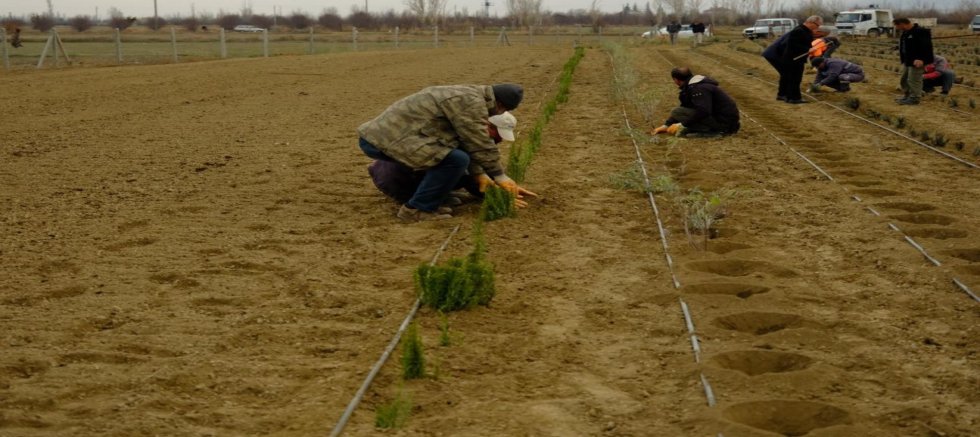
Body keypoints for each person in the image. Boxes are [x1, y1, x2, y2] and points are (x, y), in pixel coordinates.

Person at [357, 84, 536, 222]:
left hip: (394, 139)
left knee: (455, 158)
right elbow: (477, 144)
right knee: (456, 160)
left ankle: (432, 199)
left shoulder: (469, 95)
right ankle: (417, 209)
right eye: (504, 110)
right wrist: (500, 177)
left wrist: (484, 178)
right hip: (385, 141)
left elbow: (469, 144)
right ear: (499, 104)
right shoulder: (470, 103)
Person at [367, 113, 520, 207]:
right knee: (459, 164)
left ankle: (434, 194)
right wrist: (498, 197)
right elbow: (473, 177)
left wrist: (502, 184)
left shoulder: (456, 126)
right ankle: (418, 203)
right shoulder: (461, 138)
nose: (499, 140)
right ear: (487, 125)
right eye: (498, 136)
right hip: (395, 179)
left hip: (385, 172)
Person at [650, 67, 740, 137]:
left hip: (725, 124)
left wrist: (682, 125)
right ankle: (708, 129)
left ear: (676, 80)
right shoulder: (692, 87)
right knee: (679, 112)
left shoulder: (699, 89)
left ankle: (715, 132)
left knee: (677, 112)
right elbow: (686, 107)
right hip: (720, 118)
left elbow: (704, 111)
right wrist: (666, 126)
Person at [763, 16, 823, 104]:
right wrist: (807, 50)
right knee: (794, 78)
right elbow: (792, 45)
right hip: (793, 59)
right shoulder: (799, 31)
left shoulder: (805, 31)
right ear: (811, 22)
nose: (817, 28)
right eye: (817, 25)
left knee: (789, 77)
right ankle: (794, 98)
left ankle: (785, 95)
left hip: (795, 58)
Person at [893, 17, 934, 105]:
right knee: (904, 79)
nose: (897, 28)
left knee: (914, 79)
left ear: (902, 24)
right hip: (907, 60)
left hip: (917, 61)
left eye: (897, 26)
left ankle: (915, 98)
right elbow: (908, 44)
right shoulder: (905, 32)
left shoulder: (920, 31)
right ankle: (907, 95)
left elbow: (927, 47)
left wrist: (922, 59)